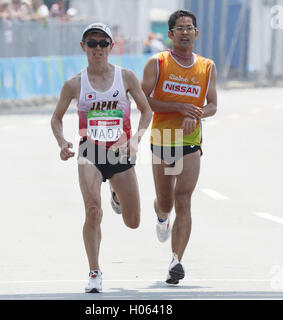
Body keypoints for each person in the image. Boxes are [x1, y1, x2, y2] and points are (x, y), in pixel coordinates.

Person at [50, 22, 152, 293]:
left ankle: (117, 195)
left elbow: (146, 111)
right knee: (93, 211)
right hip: (90, 150)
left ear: (111, 47)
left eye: (103, 43)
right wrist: (62, 142)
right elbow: (56, 118)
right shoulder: (74, 84)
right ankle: (94, 272)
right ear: (83, 48)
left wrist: (136, 139)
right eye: (92, 43)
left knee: (133, 222)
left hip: (120, 151)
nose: (98, 48)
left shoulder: (126, 77)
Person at [141, 9, 217, 285]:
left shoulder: (207, 66)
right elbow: (144, 99)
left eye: (190, 28)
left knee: (183, 198)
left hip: (189, 141)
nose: (185, 32)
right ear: (171, 34)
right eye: (180, 28)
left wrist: (195, 113)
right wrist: (177, 106)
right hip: (163, 139)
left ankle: (176, 261)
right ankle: (161, 215)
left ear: (196, 34)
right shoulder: (158, 62)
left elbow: (213, 105)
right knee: (167, 202)